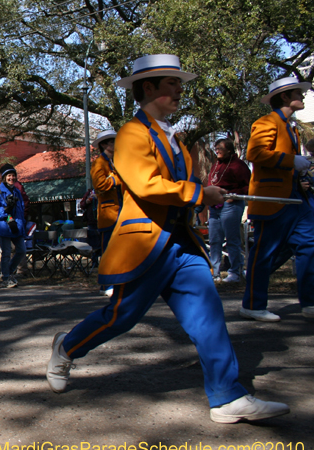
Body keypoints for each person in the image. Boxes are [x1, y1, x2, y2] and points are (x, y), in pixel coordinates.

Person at [46, 54, 289, 423]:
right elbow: (145, 185)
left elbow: (184, 185)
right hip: (145, 243)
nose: (179, 90)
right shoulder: (131, 132)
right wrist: (199, 194)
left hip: (182, 243)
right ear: (149, 88)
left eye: (179, 84)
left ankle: (227, 397)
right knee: (120, 318)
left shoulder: (174, 137)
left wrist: (207, 193)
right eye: (172, 84)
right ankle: (66, 347)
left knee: (208, 317)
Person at [241, 77, 314, 322]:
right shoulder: (267, 121)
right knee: (265, 252)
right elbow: (255, 153)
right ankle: (253, 304)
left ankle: (310, 303)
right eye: (298, 93)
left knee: (309, 245)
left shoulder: (291, 127)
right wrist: (290, 161)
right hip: (272, 198)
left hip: (295, 197)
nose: (302, 97)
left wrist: (297, 168)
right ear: (284, 96)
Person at [207, 138, 251, 284]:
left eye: (220, 148)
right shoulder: (216, 166)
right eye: (216, 148)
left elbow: (247, 187)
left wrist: (234, 196)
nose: (217, 150)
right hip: (215, 206)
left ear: (230, 150)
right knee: (214, 240)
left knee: (232, 240)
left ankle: (235, 271)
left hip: (230, 205)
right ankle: (215, 272)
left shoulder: (238, 166)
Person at [90, 129, 122, 297]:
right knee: (108, 251)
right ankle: (106, 284)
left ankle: (118, 282)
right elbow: (100, 185)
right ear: (104, 145)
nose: (115, 145)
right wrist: (117, 179)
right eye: (111, 142)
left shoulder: (114, 162)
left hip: (121, 212)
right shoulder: (99, 164)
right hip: (109, 214)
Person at [0, 164, 26, 287]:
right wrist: (5, 210)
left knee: (21, 250)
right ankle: (6, 278)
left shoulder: (17, 191)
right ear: (4, 177)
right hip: (5, 226)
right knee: (6, 253)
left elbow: (21, 209)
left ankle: (8, 272)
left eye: (13, 175)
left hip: (17, 226)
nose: (12, 178)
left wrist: (21, 224)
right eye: (9, 176)